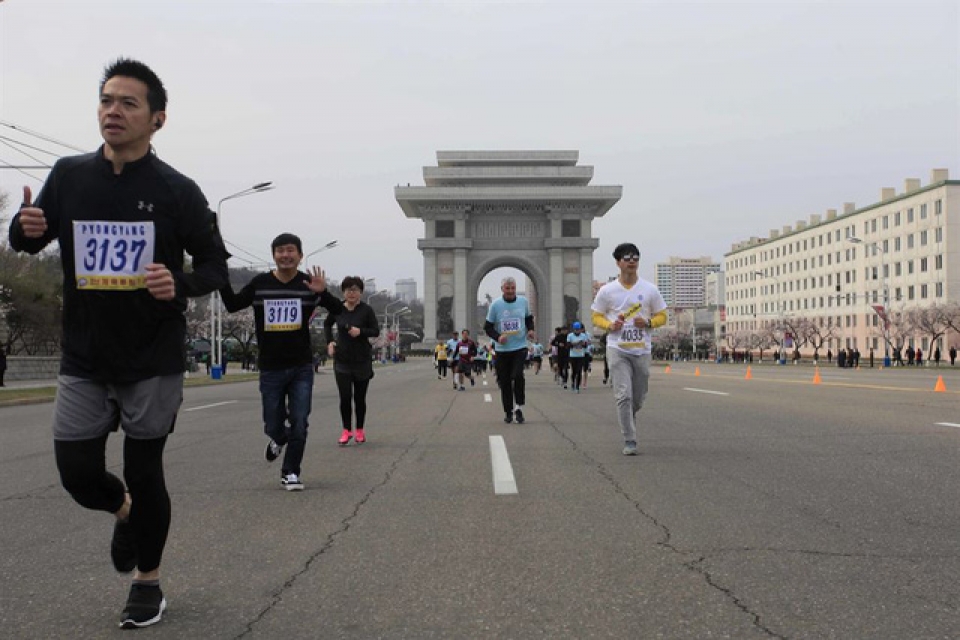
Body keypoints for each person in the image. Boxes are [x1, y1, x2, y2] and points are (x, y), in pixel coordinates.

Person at [6, 58, 229, 629]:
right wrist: (22, 228)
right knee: (78, 474)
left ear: (157, 119)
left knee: (145, 467)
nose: (113, 110)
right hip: (84, 353)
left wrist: (176, 282)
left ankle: (147, 583)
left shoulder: (178, 191)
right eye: (107, 100)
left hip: (151, 355)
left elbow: (213, 269)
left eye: (129, 103)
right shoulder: (70, 174)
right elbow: (33, 237)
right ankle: (123, 510)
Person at [219, 233, 341, 491]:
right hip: (271, 366)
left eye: (290, 250)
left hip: (301, 366)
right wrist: (220, 276)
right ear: (274, 255)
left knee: (300, 419)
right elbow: (231, 305)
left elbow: (340, 311)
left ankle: (291, 472)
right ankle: (278, 438)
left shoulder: (309, 284)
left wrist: (324, 293)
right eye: (280, 251)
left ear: (300, 255)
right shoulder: (260, 283)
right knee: (272, 422)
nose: (285, 255)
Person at [591, 243, 667, 456]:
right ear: (618, 262)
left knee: (638, 396)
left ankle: (629, 415)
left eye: (635, 257)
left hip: (642, 349)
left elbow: (663, 315)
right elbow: (596, 315)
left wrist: (650, 323)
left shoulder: (649, 289)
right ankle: (629, 439)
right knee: (623, 395)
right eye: (627, 257)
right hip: (617, 348)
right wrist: (609, 326)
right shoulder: (607, 291)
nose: (632, 261)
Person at [324, 276, 380, 446]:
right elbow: (327, 325)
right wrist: (330, 342)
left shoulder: (367, 310)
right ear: (343, 292)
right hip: (342, 360)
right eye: (348, 290)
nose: (351, 293)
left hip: (361, 360)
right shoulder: (337, 309)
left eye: (355, 290)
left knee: (359, 398)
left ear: (361, 292)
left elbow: (375, 331)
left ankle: (360, 430)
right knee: (345, 397)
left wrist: (360, 331)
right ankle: (346, 430)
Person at [484, 277, 535, 424]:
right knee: (505, 381)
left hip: (519, 347)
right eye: (508, 288)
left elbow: (528, 318)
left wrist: (530, 330)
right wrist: (498, 336)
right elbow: (488, 327)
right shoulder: (495, 305)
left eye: (513, 288)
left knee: (517, 375)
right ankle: (508, 411)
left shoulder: (523, 302)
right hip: (502, 350)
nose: (511, 291)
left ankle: (518, 407)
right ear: (502, 289)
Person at [567, 322, 590, 393]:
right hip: (573, 356)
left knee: (579, 371)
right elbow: (568, 345)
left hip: (581, 356)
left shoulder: (583, 336)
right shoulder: (570, 336)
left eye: (579, 329)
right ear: (573, 329)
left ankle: (577, 387)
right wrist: (576, 343)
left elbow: (586, 346)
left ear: (580, 329)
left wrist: (583, 344)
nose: (577, 331)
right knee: (574, 371)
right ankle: (573, 383)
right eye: (576, 329)